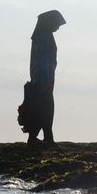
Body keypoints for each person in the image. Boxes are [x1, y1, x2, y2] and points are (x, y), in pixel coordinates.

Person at [25, 10, 66, 146]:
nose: (58, 28)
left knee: (42, 108)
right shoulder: (44, 37)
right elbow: (44, 60)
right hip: (43, 79)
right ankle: (45, 137)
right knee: (44, 108)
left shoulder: (41, 36)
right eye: (57, 24)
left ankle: (42, 137)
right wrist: (46, 80)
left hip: (41, 78)